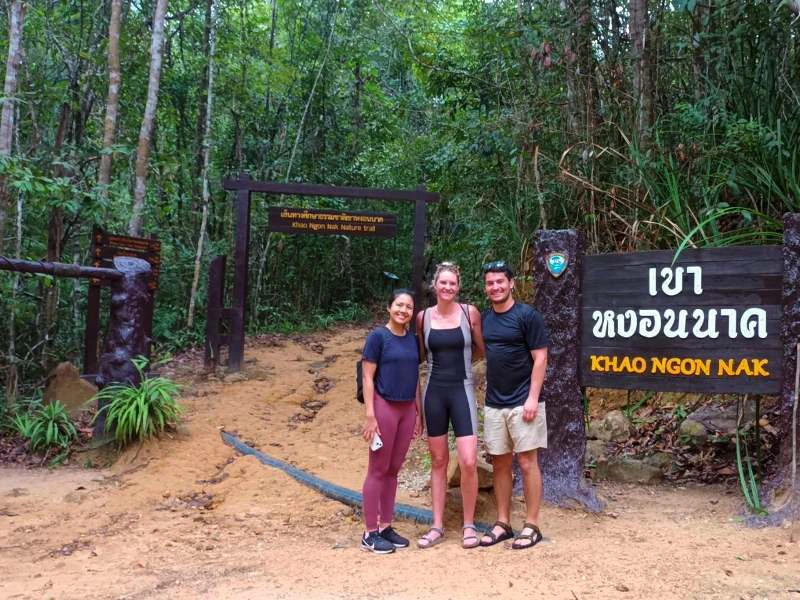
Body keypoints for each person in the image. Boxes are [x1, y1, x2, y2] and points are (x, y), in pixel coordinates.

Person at [479, 260, 549, 550]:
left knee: (527, 462)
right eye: (490, 283)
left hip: (524, 403)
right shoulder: (484, 320)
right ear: (486, 288)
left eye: (500, 282)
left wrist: (533, 397)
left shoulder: (527, 316)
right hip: (495, 403)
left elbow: (541, 358)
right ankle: (503, 522)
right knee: (500, 463)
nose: (495, 287)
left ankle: (532, 524)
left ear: (511, 284)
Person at [415, 262, 484, 549]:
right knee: (439, 461)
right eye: (442, 283)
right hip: (434, 392)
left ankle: (468, 525)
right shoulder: (422, 318)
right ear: (434, 285)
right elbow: (418, 355)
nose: (447, 288)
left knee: (468, 460)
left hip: (462, 390)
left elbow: (481, 348)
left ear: (458, 286)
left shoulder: (470, 313)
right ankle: (437, 525)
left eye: (452, 283)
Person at [360, 289, 423, 554]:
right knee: (378, 468)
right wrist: (370, 415)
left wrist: (418, 412)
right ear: (389, 307)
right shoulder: (378, 337)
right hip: (384, 407)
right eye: (399, 305)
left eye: (408, 307)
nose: (403, 310)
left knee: (394, 469)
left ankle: (386, 525)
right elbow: (367, 377)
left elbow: (416, 375)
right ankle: (370, 532)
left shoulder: (413, 339)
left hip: (407, 409)